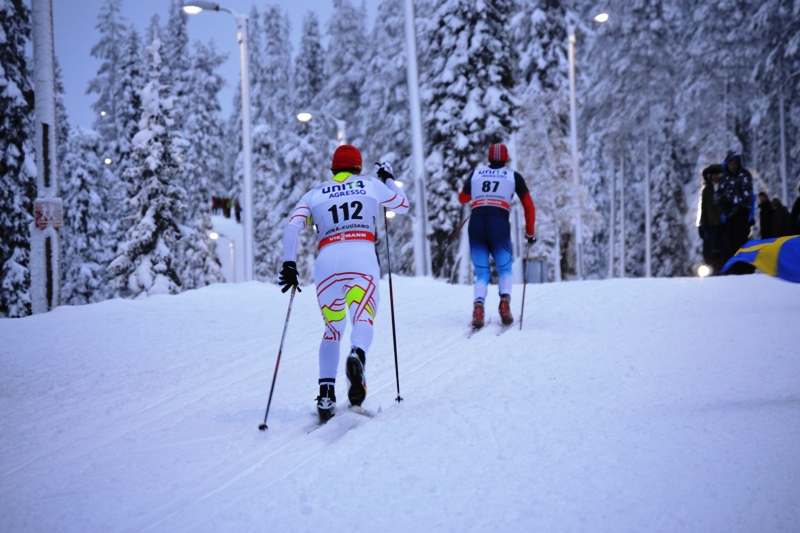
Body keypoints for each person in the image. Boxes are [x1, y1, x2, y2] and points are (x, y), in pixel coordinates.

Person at [279, 145, 409, 422]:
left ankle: (326, 394)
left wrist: (289, 264)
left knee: (332, 329)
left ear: (333, 169)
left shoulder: (315, 192)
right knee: (363, 317)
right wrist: (387, 178)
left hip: (327, 264)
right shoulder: (370, 184)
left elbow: (291, 226)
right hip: (360, 257)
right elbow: (403, 204)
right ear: (358, 168)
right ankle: (357, 355)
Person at [458, 143, 536, 328]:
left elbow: (462, 198)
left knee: (482, 273)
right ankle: (505, 305)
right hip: (499, 224)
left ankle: (478, 308)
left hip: (476, 223)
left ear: (489, 158)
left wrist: (478, 195)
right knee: (505, 269)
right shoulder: (513, 176)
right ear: (506, 159)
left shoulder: (476, 173)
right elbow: (528, 206)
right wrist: (530, 232)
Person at [715, 151, 754, 274]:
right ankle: (733, 268)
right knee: (729, 243)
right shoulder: (725, 178)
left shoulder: (744, 175)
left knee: (741, 241)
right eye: (730, 163)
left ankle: (744, 268)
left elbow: (747, 195)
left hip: (741, 215)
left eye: (734, 163)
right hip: (728, 217)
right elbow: (719, 195)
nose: (732, 165)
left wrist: (737, 205)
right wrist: (724, 204)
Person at [697, 164, 725, 273]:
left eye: (717, 174)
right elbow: (703, 208)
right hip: (710, 224)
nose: (715, 177)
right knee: (709, 248)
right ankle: (711, 269)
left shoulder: (725, 188)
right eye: (713, 175)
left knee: (723, 247)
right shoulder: (707, 190)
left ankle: (722, 269)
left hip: (723, 224)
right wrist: (701, 223)